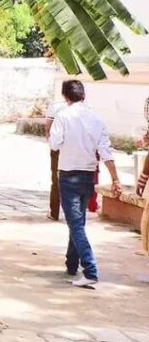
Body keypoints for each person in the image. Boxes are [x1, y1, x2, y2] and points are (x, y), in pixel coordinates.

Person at [47, 80, 123, 289]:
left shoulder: (63, 116)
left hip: (68, 175)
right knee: (77, 221)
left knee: (76, 224)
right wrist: (116, 179)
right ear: (83, 96)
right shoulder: (97, 119)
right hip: (88, 176)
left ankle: (90, 270)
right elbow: (106, 152)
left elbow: (54, 143)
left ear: (65, 97)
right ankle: (72, 264)